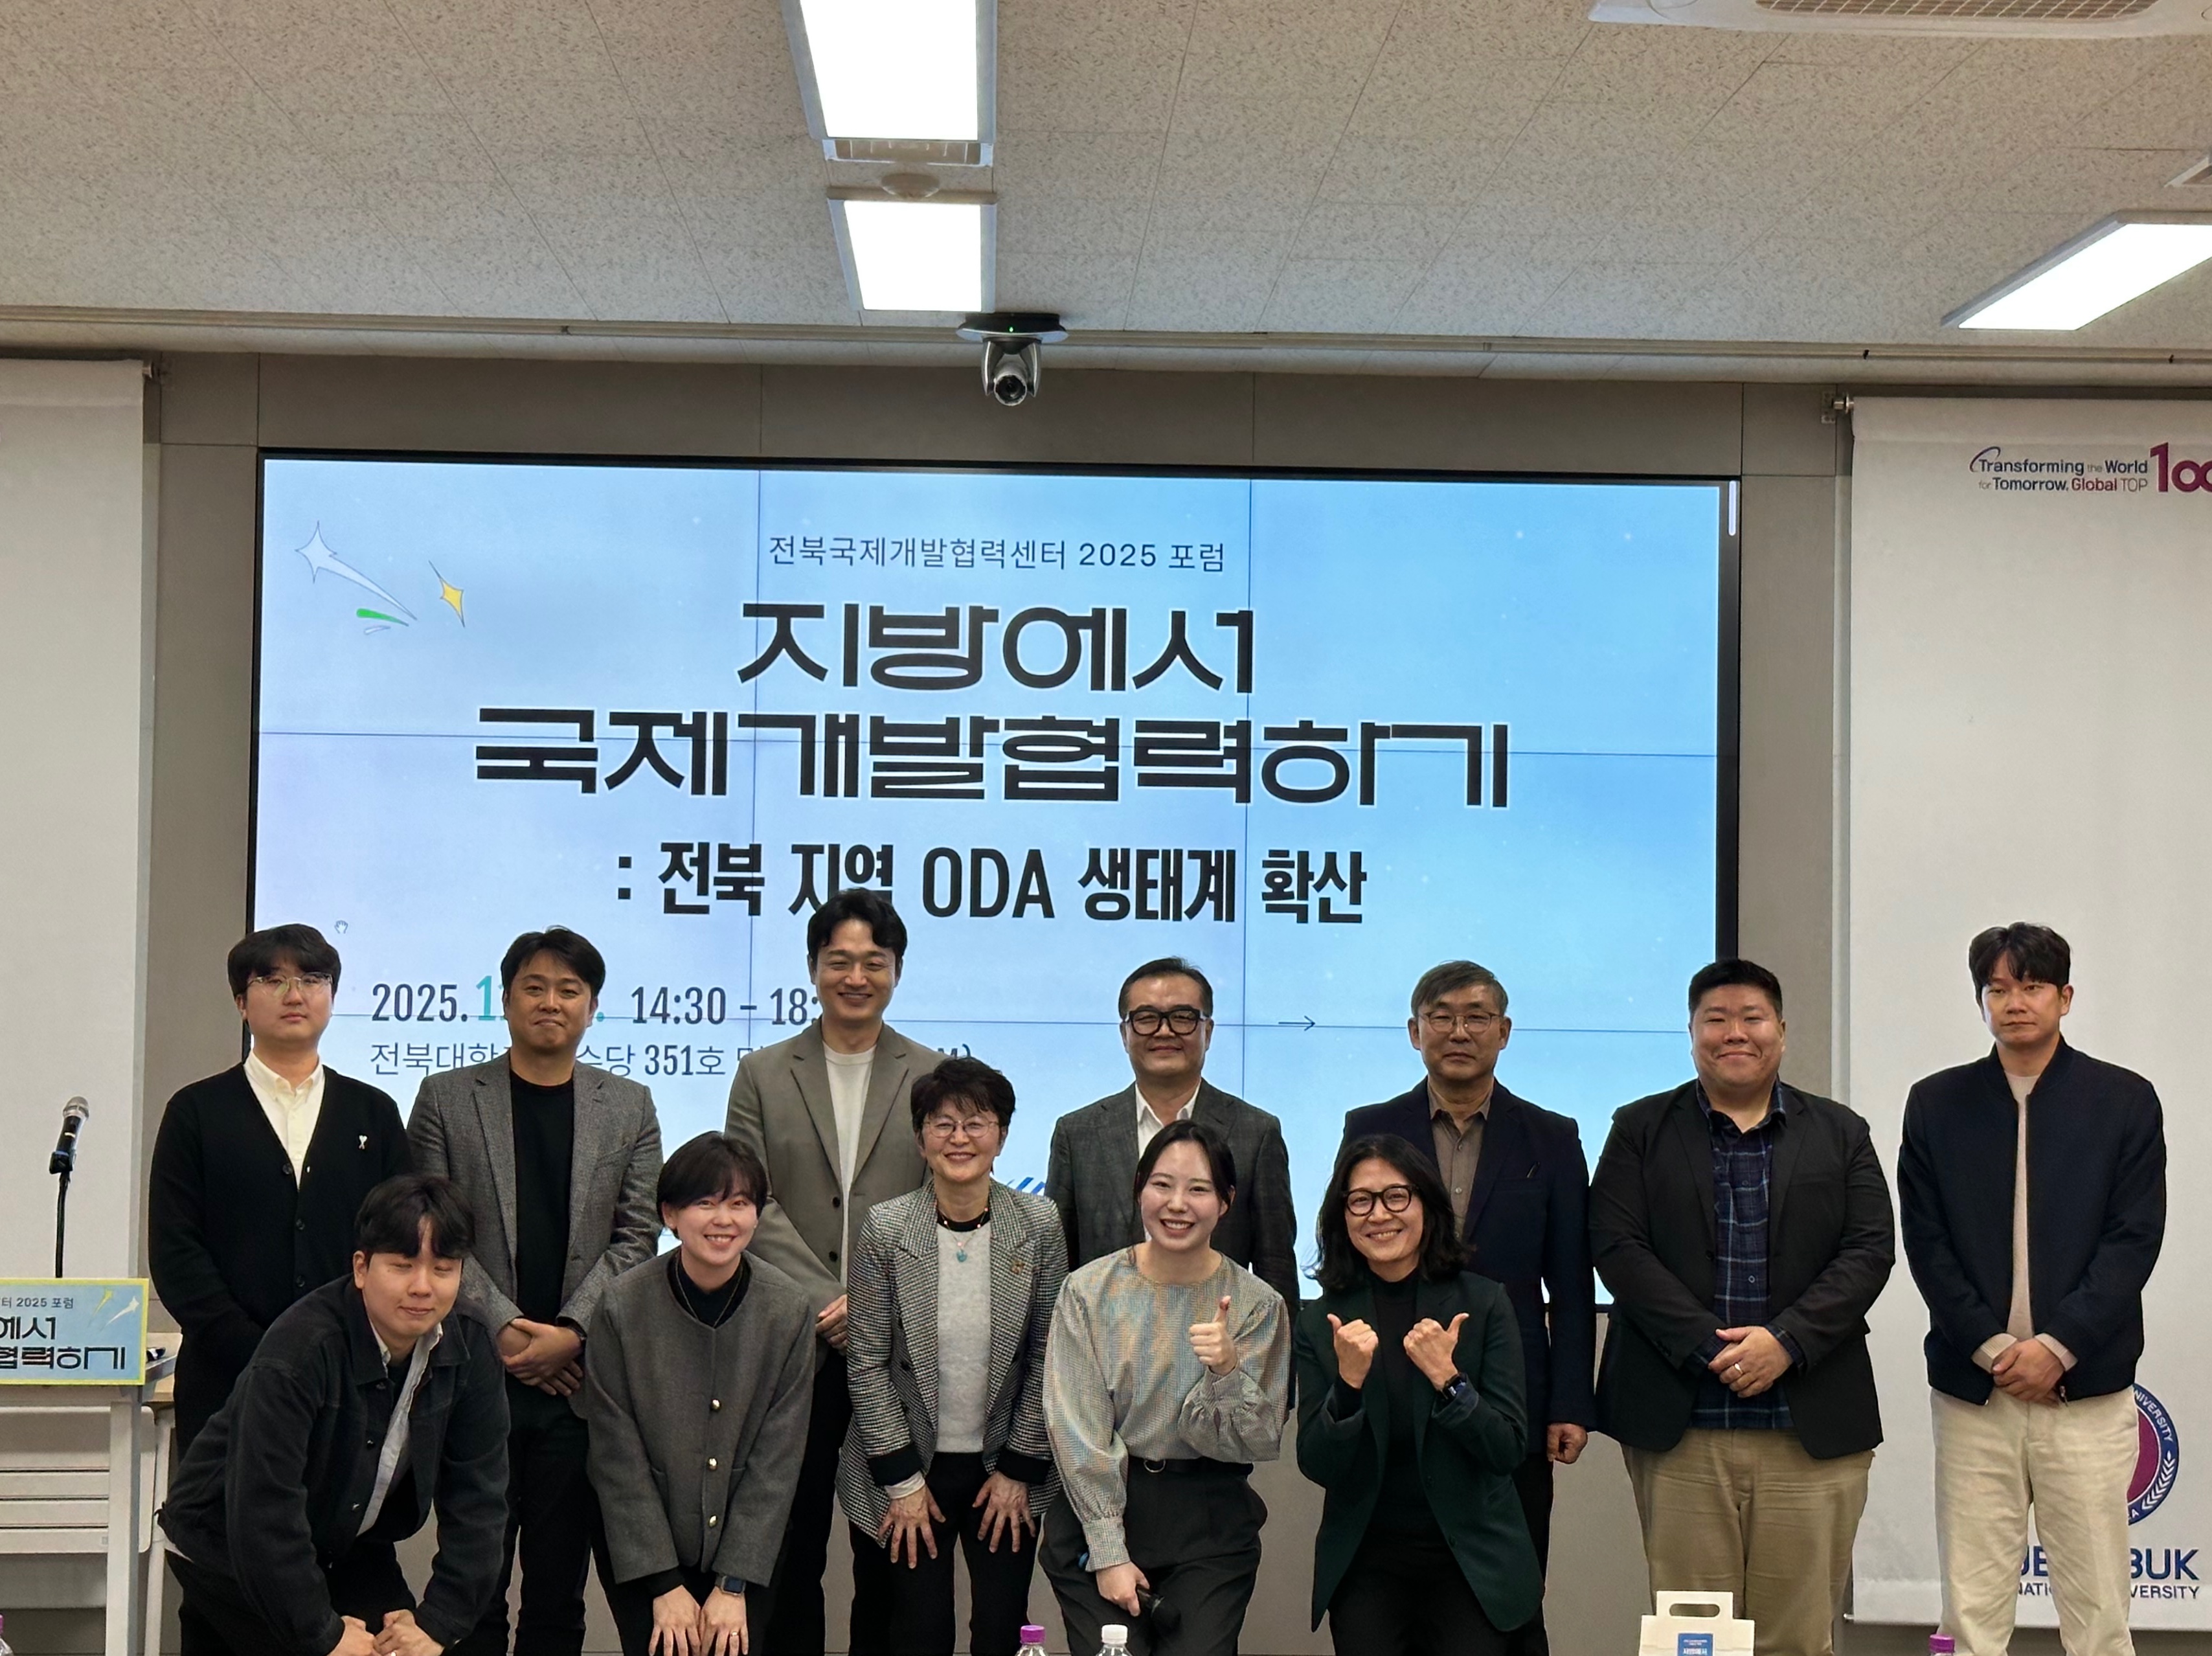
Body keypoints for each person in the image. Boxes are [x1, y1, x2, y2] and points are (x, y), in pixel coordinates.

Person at [1589, 958, 1894, 1656]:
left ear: (1780, 1030)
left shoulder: (1839, 1131)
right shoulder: (1639, 1128)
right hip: (1681, 1424)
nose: (1735, 1033)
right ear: (1691, 1032)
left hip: (1809, 1425)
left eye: (1751, 1018)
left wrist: (1785, 1341)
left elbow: (1869, 1248)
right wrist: (1710, 1345)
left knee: (1796, 1635)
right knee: (1694, 1635)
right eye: (1716, 1019)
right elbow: (1616, 1244)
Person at [1899, 924, 2166, 1656]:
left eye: (2031, 986)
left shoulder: (2123, 1100)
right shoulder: (1936, 1103)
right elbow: (1926, 1243)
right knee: (1970, 1608)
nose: (2013, 1002)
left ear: (2065, 997)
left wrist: (2057, 1346)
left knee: (2098, 1609)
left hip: (2084, 1391)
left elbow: (2133, 1238)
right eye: (1997, 989)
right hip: (1974, 1393)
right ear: (1981, 1000)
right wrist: (1993, 1350)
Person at [409, 927, 664, 1656]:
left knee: (558, 1590)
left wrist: (572, 1332)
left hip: (578, 1383)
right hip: (472, 1369)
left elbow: (638, 1234)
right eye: (535, 986)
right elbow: (431, 1230)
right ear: (506, 997)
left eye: (569, 990)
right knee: (472, 1584)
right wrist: (508, 1326)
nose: (551, 1001)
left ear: (592, 1007)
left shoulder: (630, 1105)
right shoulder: (446, 1097)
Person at [1338, 960, 1593, 1655]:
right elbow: (1346, 1252)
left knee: (1508, 1596)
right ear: (1413, 1030)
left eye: (1476, 1016)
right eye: (1441, 1016)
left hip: (1513, 1399)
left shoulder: (1551, 1136)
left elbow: (1572, 1286)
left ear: (1504, 1032)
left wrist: (1570, 1402)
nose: (1459, 1031)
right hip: (1395, 1381)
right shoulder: (1370, 1126)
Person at [160, 1174, 509, 1656]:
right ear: (361, 1267)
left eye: (443, 1269)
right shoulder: (301, 1349)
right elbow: (264, 1510)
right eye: (403, 1266)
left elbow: (480, 1496)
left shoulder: (470, 1342)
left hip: (344, 1541)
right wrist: (323, 1635)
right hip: (226, 1543)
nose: (422, 1287)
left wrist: (437, 1623)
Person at [725, 889, 943, 1656]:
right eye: (838, 961)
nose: (855, 977)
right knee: (790, 1542)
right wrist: (828, 1301)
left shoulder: (932, 1072)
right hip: (793, 1342)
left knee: (891, 1544)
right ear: (813, 968)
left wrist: (874, 1306)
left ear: (896, 971)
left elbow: (941, 1198)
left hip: (898, 1352)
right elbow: (747, 1198)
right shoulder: (761, 1072)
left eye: (872, 962)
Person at [150, 923, 411, 1451]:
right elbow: (176, 1250)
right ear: (241, 1003)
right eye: (272, 980)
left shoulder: (373, 1112)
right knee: (230, 1502)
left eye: (312, 979)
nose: (295, 995)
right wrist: (255, 1348)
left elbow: (400, 1237)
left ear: (332, 996)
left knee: (343, 1503)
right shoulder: (196, 1111)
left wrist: (355, 1340)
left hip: (351, 1373)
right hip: (225, 1376)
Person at [839, 1056, 1067, 1656]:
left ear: (1002, 1136)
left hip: (1004, 1464)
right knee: (918, 1631)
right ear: (921, 1139)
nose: (959, 1138)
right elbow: (867, 1361)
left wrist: (1019, 1470)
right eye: (942, 1124)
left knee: (1001, 1628)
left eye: (976, 1123)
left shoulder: (1039, 1223)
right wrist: (903, 1482)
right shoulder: (886, 1228)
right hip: (909, 1462)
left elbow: (1048, 1353)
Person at [1042, 1118, 1291, 1656]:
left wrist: (1226, 1371)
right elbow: (1076, 1426)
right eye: (1162, 1184)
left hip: (1208, 1519)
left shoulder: (1258, 1304)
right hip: (1101, 1509)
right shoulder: (1087, 1291)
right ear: (1139, 1188)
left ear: (1226, 1202)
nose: (1177, 1204)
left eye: (1198, 1189)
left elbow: (1258, 1439)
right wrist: (1109, 1549)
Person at [1295, 1136, 1541, 1656]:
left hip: (1471, 1558)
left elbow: (1507, 1448)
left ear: (1426, 1203)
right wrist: (1348, 1386)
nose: (1378, 1214)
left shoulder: (1483, 1303)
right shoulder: (1322, 1320)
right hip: (1369, 1560)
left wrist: (1450, 1381)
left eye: (1396, 1196)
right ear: (1342, 1216)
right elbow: (1318, 1463)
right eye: (1360, 1200)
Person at [586, 1133, 817, 1656]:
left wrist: (733, 1584)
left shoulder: (788, 1309)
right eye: (706, 1203)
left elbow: (777, 1461)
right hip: (643, 1547)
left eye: (739, 1203)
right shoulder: (621, 1306)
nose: (723, 1219)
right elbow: (616, 1455)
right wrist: (664, 1583)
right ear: (669, 1214)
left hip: (749, 1547)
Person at [1046, 958, 1300, 1308]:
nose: (1164, 1032)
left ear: (1208, 1031)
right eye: (1146, 1018)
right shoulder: (1078, 1134)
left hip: (1219, 1337)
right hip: (1103, 1338)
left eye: (1182, 1017)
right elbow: (1056, 1269)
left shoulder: (1256, 1133)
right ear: (1124, 1034)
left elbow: (1277, 1270)